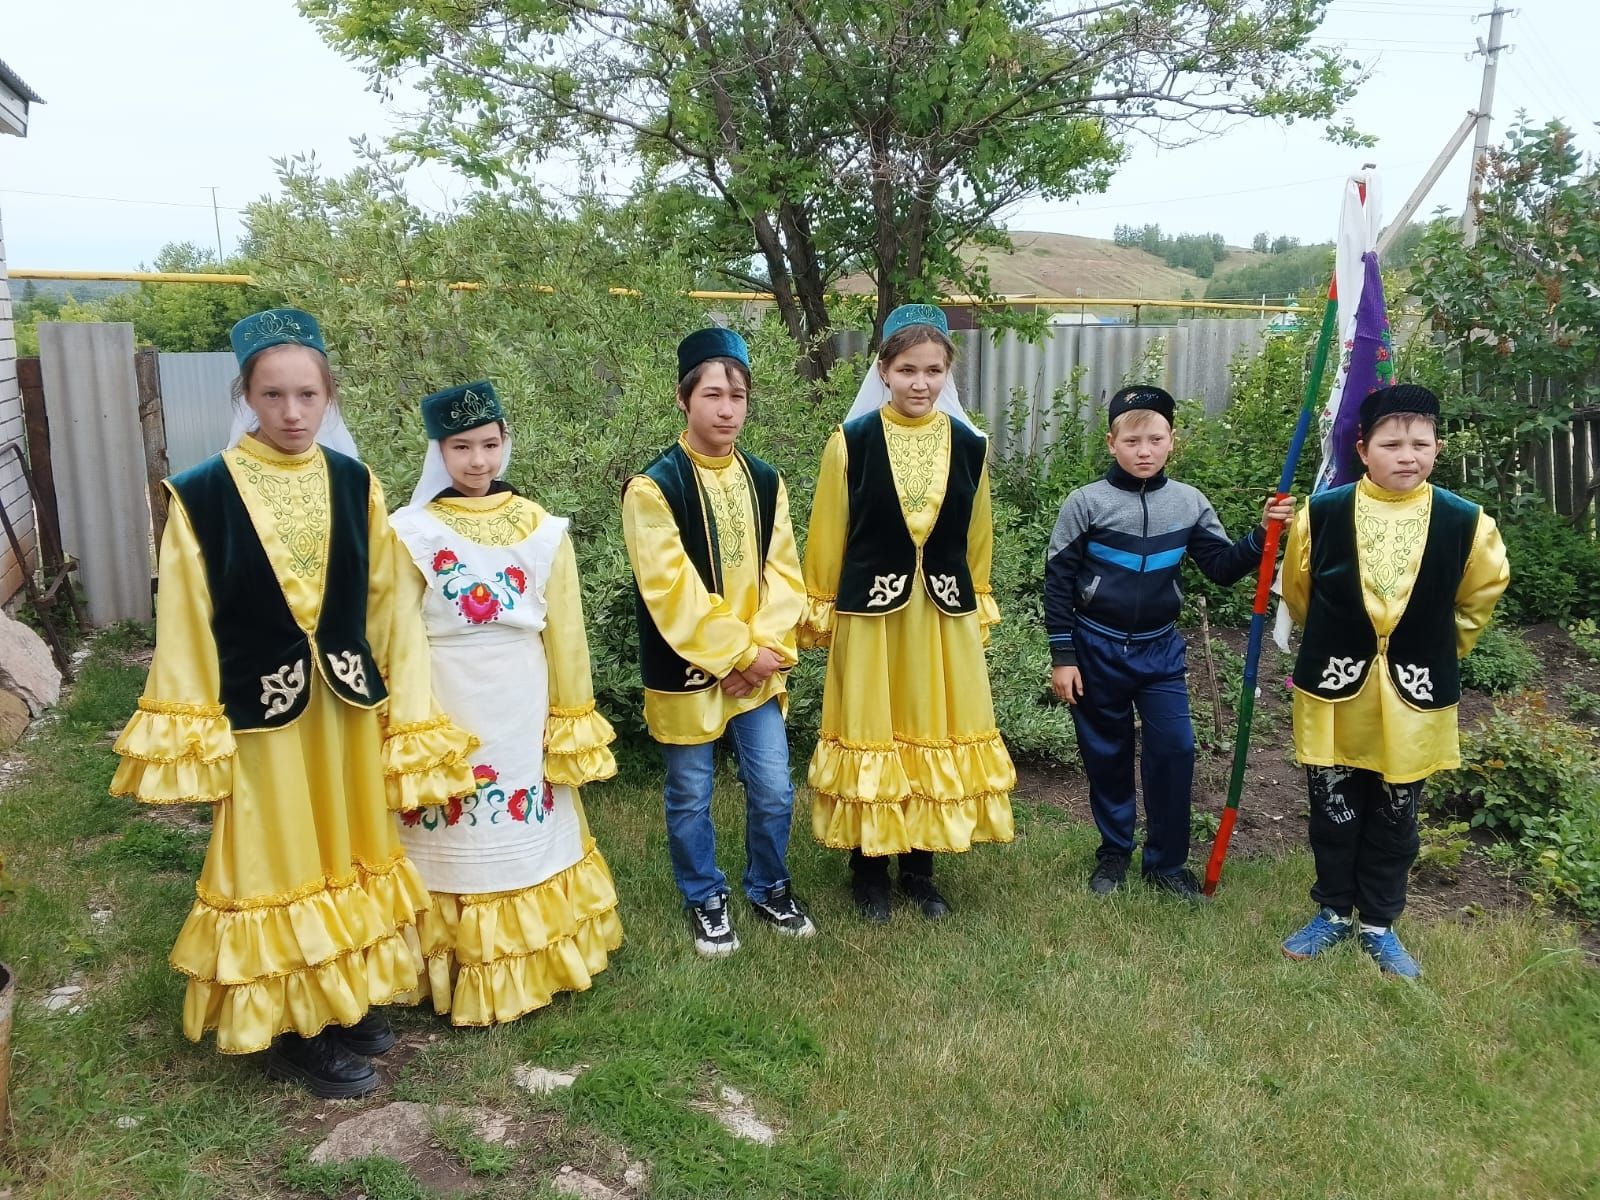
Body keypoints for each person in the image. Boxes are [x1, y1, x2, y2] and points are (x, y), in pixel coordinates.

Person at [109, 308, 477, 1097]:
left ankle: (342, 1001)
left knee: (347, 849)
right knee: (277, 858)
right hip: (259, 715)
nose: (291, 413)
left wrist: (405, 708)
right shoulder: (202, 494)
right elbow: (184, 617)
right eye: (272, 396)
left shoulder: (355, 483)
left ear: (327, 396)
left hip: (343, 707)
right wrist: (192, 723)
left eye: (307, 395)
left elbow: (389, 605)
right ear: (247, 396)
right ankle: (294, 1027)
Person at [388, 380, 623, 1024]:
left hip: (520, 696)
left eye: (490, 444)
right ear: (438, 452)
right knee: (453, 825)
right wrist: (413, 724)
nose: (478, 461)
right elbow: (402, 635)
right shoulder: (410, 532)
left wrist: (570, 713)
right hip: (449, 696)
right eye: (461, 447)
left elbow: (566, 633)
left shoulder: (543, 530)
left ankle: (535, 955)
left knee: (523, 817)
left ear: (506, 443)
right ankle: (450, 963)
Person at [1279, 384, 1507, 978]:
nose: (1408, 455)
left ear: (1437, 447)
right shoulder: (1322, 514)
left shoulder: (1467, 523)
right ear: (1363, 448)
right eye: (1392, 443)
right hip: (1335, 687)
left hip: (1415, 694)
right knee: (1331, 804)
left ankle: (1378, 921)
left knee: (1396, 810)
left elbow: (1479, 596)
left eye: (1421, 443)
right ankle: (1331, 911)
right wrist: (1345, 636)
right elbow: (1301, 593)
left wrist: (1432, 646)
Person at [800, 304, 1014, 923]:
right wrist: (822, 604)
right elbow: (828, 531)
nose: (920, 383)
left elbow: (979, 533)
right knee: (876, 727)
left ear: (948, 373)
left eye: (933, 371)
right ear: (883, 372)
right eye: (907, 370)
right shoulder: (851, 443)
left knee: (929, 728)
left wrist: (977, 598)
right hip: (872, 615)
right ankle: (869, 869)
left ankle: (921, 868)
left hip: (940, 614)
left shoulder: (969, 446)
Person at [1045, 385, 1292, 901]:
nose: (1144, 450)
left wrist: (1262, 533)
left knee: (1175, 751)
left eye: (1155, 439)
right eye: (1132, 440)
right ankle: (1114, 852)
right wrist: (1063, 657)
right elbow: (1059, 583)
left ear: (1171, 442)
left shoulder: (1188, 503)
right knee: (1106, 756)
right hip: (1097, 649)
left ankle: (1166, 863)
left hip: (1159, 652)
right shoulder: (1085, 504)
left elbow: (1221, 568)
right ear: (1111, 442)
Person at [621, 328, 816, 956]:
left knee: (774, 786)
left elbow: (785, 575)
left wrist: (758, 655)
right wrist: (737, 655)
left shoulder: (764, 479)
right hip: (688, 667)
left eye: (738, 395)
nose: (726, 408)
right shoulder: (654, 486)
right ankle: (705, 894)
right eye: (712, 394)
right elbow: (669, 587)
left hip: (757, 667)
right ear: (684, 400)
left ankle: (769, 884)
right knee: (690, 792)